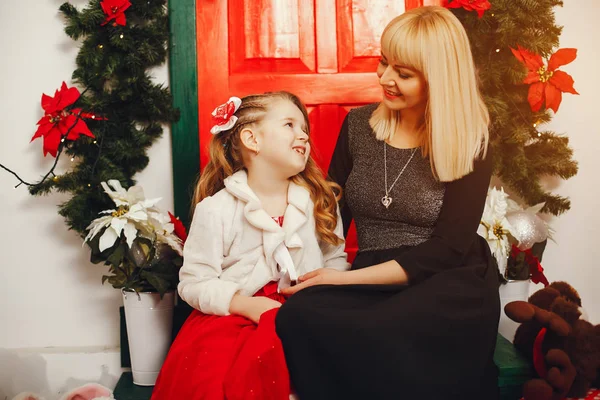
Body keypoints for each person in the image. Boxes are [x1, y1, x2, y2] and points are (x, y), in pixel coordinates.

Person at [275, 6, 500, 400]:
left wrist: (340, 280)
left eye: (404, 73)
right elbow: (330, 215)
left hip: (445, 281)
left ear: (439, 80)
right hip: (370, 274)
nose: (385, 78)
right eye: (384, 63)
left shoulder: (473, 144)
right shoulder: (359, 126)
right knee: (298, 314)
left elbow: (445, 251)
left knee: (390, 326)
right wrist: (314, 271)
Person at [151, 91, 349, 400]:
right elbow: (193, 282)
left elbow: (335, 258)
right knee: (221, 378)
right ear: (251, 139)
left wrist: (324, 296)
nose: (303, 135)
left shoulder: (318, 200)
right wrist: (246, 305)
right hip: (236, 317)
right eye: (289, 125)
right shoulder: (216, 210)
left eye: (304, 129)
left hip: (305, 309)